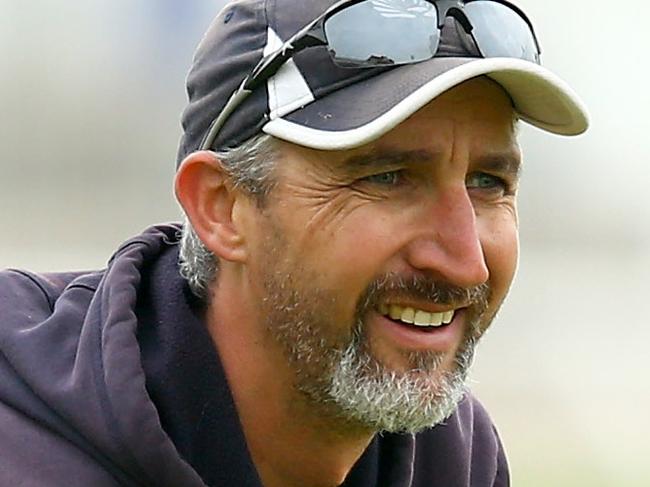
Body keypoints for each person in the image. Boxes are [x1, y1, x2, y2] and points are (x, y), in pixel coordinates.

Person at [0, 1, 588, 486]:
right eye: (386, 178)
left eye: (489, 183)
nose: (465, 261)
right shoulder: (25, 440)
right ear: (221, 207)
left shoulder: (453, 463)